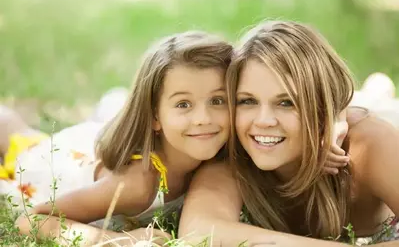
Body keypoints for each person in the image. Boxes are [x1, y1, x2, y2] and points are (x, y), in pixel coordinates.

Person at [2, 30, 233, 246]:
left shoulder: (217, 157)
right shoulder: (136, 185)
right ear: (154, 116)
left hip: (94, 146)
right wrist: (121, 240)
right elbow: (31, 221)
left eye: (217, 100)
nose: (204, 118)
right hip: (56, 165)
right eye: (183, 104)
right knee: (19, 138)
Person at [179, 20, 399, 246]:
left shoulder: (367, 144)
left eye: (286, 102)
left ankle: (379, 88)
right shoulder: (232, 154)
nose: (263, 121)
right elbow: (198, 232)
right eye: (247, 101)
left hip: (380, 115)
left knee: (378, 101)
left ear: (321, 105)